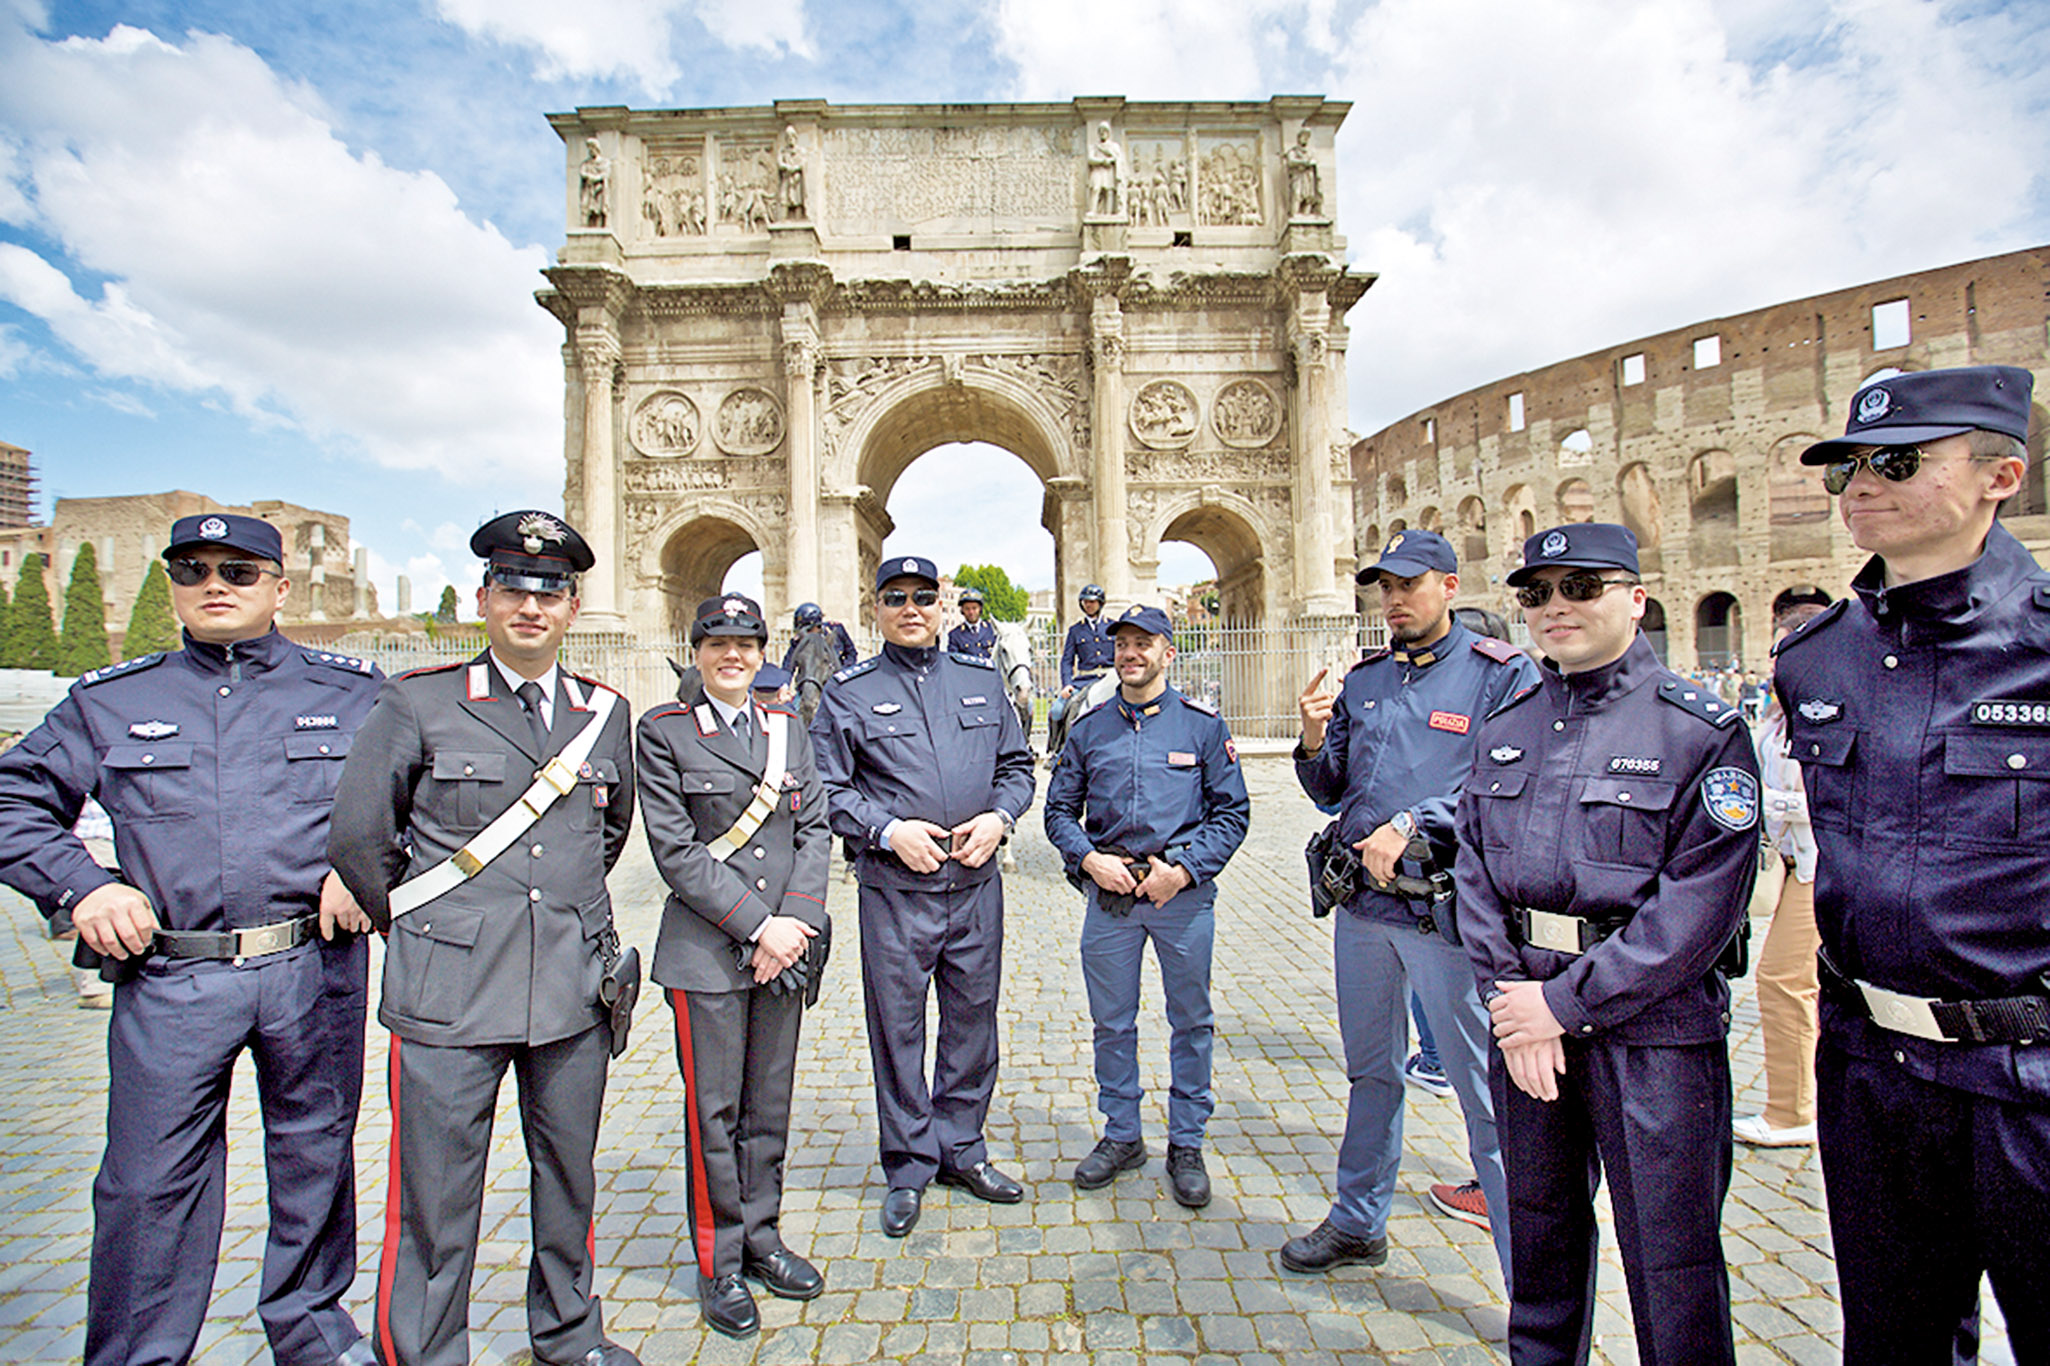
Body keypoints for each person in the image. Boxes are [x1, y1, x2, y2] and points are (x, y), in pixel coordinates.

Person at [0, 512, 383, 1366]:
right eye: (193, 567)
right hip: (172, 974)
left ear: (280, 588)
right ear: (174, 585)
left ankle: (313, 1332)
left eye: (240, 570)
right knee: (146, 1185)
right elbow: (13, 800)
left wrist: (369, 866)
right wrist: (83, 886)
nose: (215, 582)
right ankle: (139, 1352)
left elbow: (423, 795)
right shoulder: (113, 700)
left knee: (315, 1158)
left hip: (310, 967)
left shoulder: (352, 693)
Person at [1771, 365, 2050, 1361]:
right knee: (1889, 1341)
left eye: (1896, 461)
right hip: (1873, 1073)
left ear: (1999, 474)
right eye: (1846, 464)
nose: (1860, 484)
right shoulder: (1815, 661)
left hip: (2030, 1075)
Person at [328, 510, 640, 1366]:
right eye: (514, 588)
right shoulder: (419, 700)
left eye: (551, 592)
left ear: (574, 608)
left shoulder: (605, 713)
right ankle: (426, 1354)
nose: (531, 606)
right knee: (436, 1200)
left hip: (571, 990)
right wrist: (428, 928)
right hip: (450, 992)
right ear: (484, 598)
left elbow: (604, 841)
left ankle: (568, 1338)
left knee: (567, 1183)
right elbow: (359, 839)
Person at [1457, 522, 1758, 1365]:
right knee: (1542, 1246)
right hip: (1525, 1019)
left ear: (1635, 597)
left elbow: (1698, 910)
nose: (1555, 607)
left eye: (1581, 587)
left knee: (1673, 1262)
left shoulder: (1700, 729)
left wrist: (1557, 1005)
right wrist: (1509, 1003)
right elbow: (1474, 877)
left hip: (1651, 1031)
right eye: (1537, 593)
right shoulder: (1507, 722)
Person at [1281, 530, 1538, 1279]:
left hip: (1445, 917)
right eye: (1384, 588)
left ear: (1450, 586)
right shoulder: (1365, 680)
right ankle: (1359, 1220)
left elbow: (1509, 781)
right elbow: (1330, 789)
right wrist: (1311, 731)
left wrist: (1413, 821)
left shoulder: (1501, 675)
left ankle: (1534, 1283)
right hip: (1364, 911)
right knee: (1372, 1074)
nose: (1393, 600)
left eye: (1408, 585)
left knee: (1482, 1093)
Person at [809, 555, 1036, 1237]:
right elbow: (827, 788)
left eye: (923, 597)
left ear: (942, 606)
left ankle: (962, 1148)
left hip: (972, 886)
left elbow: (1017, 767)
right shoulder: (848, 692)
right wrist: (885, 830)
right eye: (895, 597)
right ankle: (909, 1162)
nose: (911, 608)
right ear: (876, 608)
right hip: (894, 890)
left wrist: (999, 819)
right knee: (898, 1028)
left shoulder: (979, 680)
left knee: (973, 1022)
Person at [637, 595, 829, 1338]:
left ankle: (763, 1238)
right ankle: (718, 1261)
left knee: (767, 1106)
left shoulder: (788, 729)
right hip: (708, 953)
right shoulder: (664, 733)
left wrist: (795, 924)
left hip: (784, 946)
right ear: (698, 652)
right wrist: (760, 926)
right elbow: (675, 851)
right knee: (713, 1113)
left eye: (747, 645)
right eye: (719, 644)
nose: (734, 656)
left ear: (760, 653)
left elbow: (813, 829)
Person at [1043, 605, 1250, 1208]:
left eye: (1144, 643)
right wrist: (1088, 859)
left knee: (1191, 1022)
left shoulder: (1204, 727)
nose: (1131, 653)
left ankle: (1186, 1141)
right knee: (1112, 1024)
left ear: (1168, 653)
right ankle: (1122, 1133)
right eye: (1123, 644)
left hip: (1180, 897)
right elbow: (1058, 811)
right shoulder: (1088, 730)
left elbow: (1232, 812)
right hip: (1109, 896)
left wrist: (1182, 870)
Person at [1733, 599, 1830, 1149]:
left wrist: (1770, 801)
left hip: (1820, 865)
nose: (1773, 660)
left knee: (1782, 980)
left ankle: (1791, 1111)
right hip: (1792, 862)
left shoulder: (1827, 710)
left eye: (1781, 647)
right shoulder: (1779, 715)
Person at [1048, 583, 1114, 755]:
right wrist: (1067, 684)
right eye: (1085, 602)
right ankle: (1057, 750)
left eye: (1092, 602)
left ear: (1100, 603)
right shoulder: (1076, 630)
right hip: (1085, 680)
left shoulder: (1114, 627)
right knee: (1056, 710)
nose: (1088, 605)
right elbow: (1067, 661)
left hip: (1110, 678)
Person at [947, 587, 997, 660]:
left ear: (980, 608)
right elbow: (953, 663)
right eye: (967, 609)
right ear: (962, 610)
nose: (971, 612)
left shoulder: (992, 631)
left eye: (974, 608)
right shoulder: (955, 636)